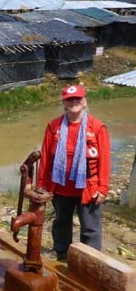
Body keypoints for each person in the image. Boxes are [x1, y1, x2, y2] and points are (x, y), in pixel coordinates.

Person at [37, 84, 111, 261]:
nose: (74, 103)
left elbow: (105, 160)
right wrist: (42, 184)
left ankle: (89, 259)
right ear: (64, 103)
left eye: (78, 99)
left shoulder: (97, 127)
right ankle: (61, 252)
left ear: (84, 102)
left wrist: (103, 187)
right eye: (69, 100)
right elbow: (46, 157)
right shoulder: (54, 127)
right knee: (61, 222)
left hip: (89, 187)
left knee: (90, 227)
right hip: (61, 187)